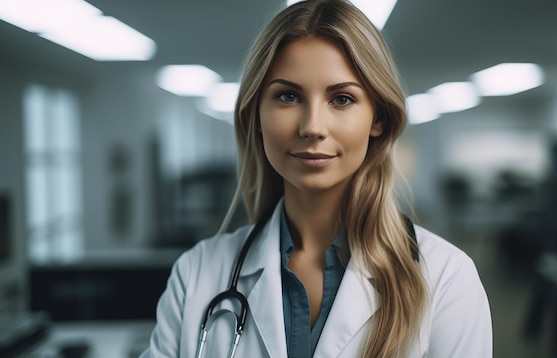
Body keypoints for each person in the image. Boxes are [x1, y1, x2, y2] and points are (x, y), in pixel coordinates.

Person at [141, 0, 492, 357]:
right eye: (288, 96)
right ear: (256, 116)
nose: (312, 127)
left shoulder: (447, 278)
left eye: (341, 99)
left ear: (378, 119)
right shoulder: (196, 274)